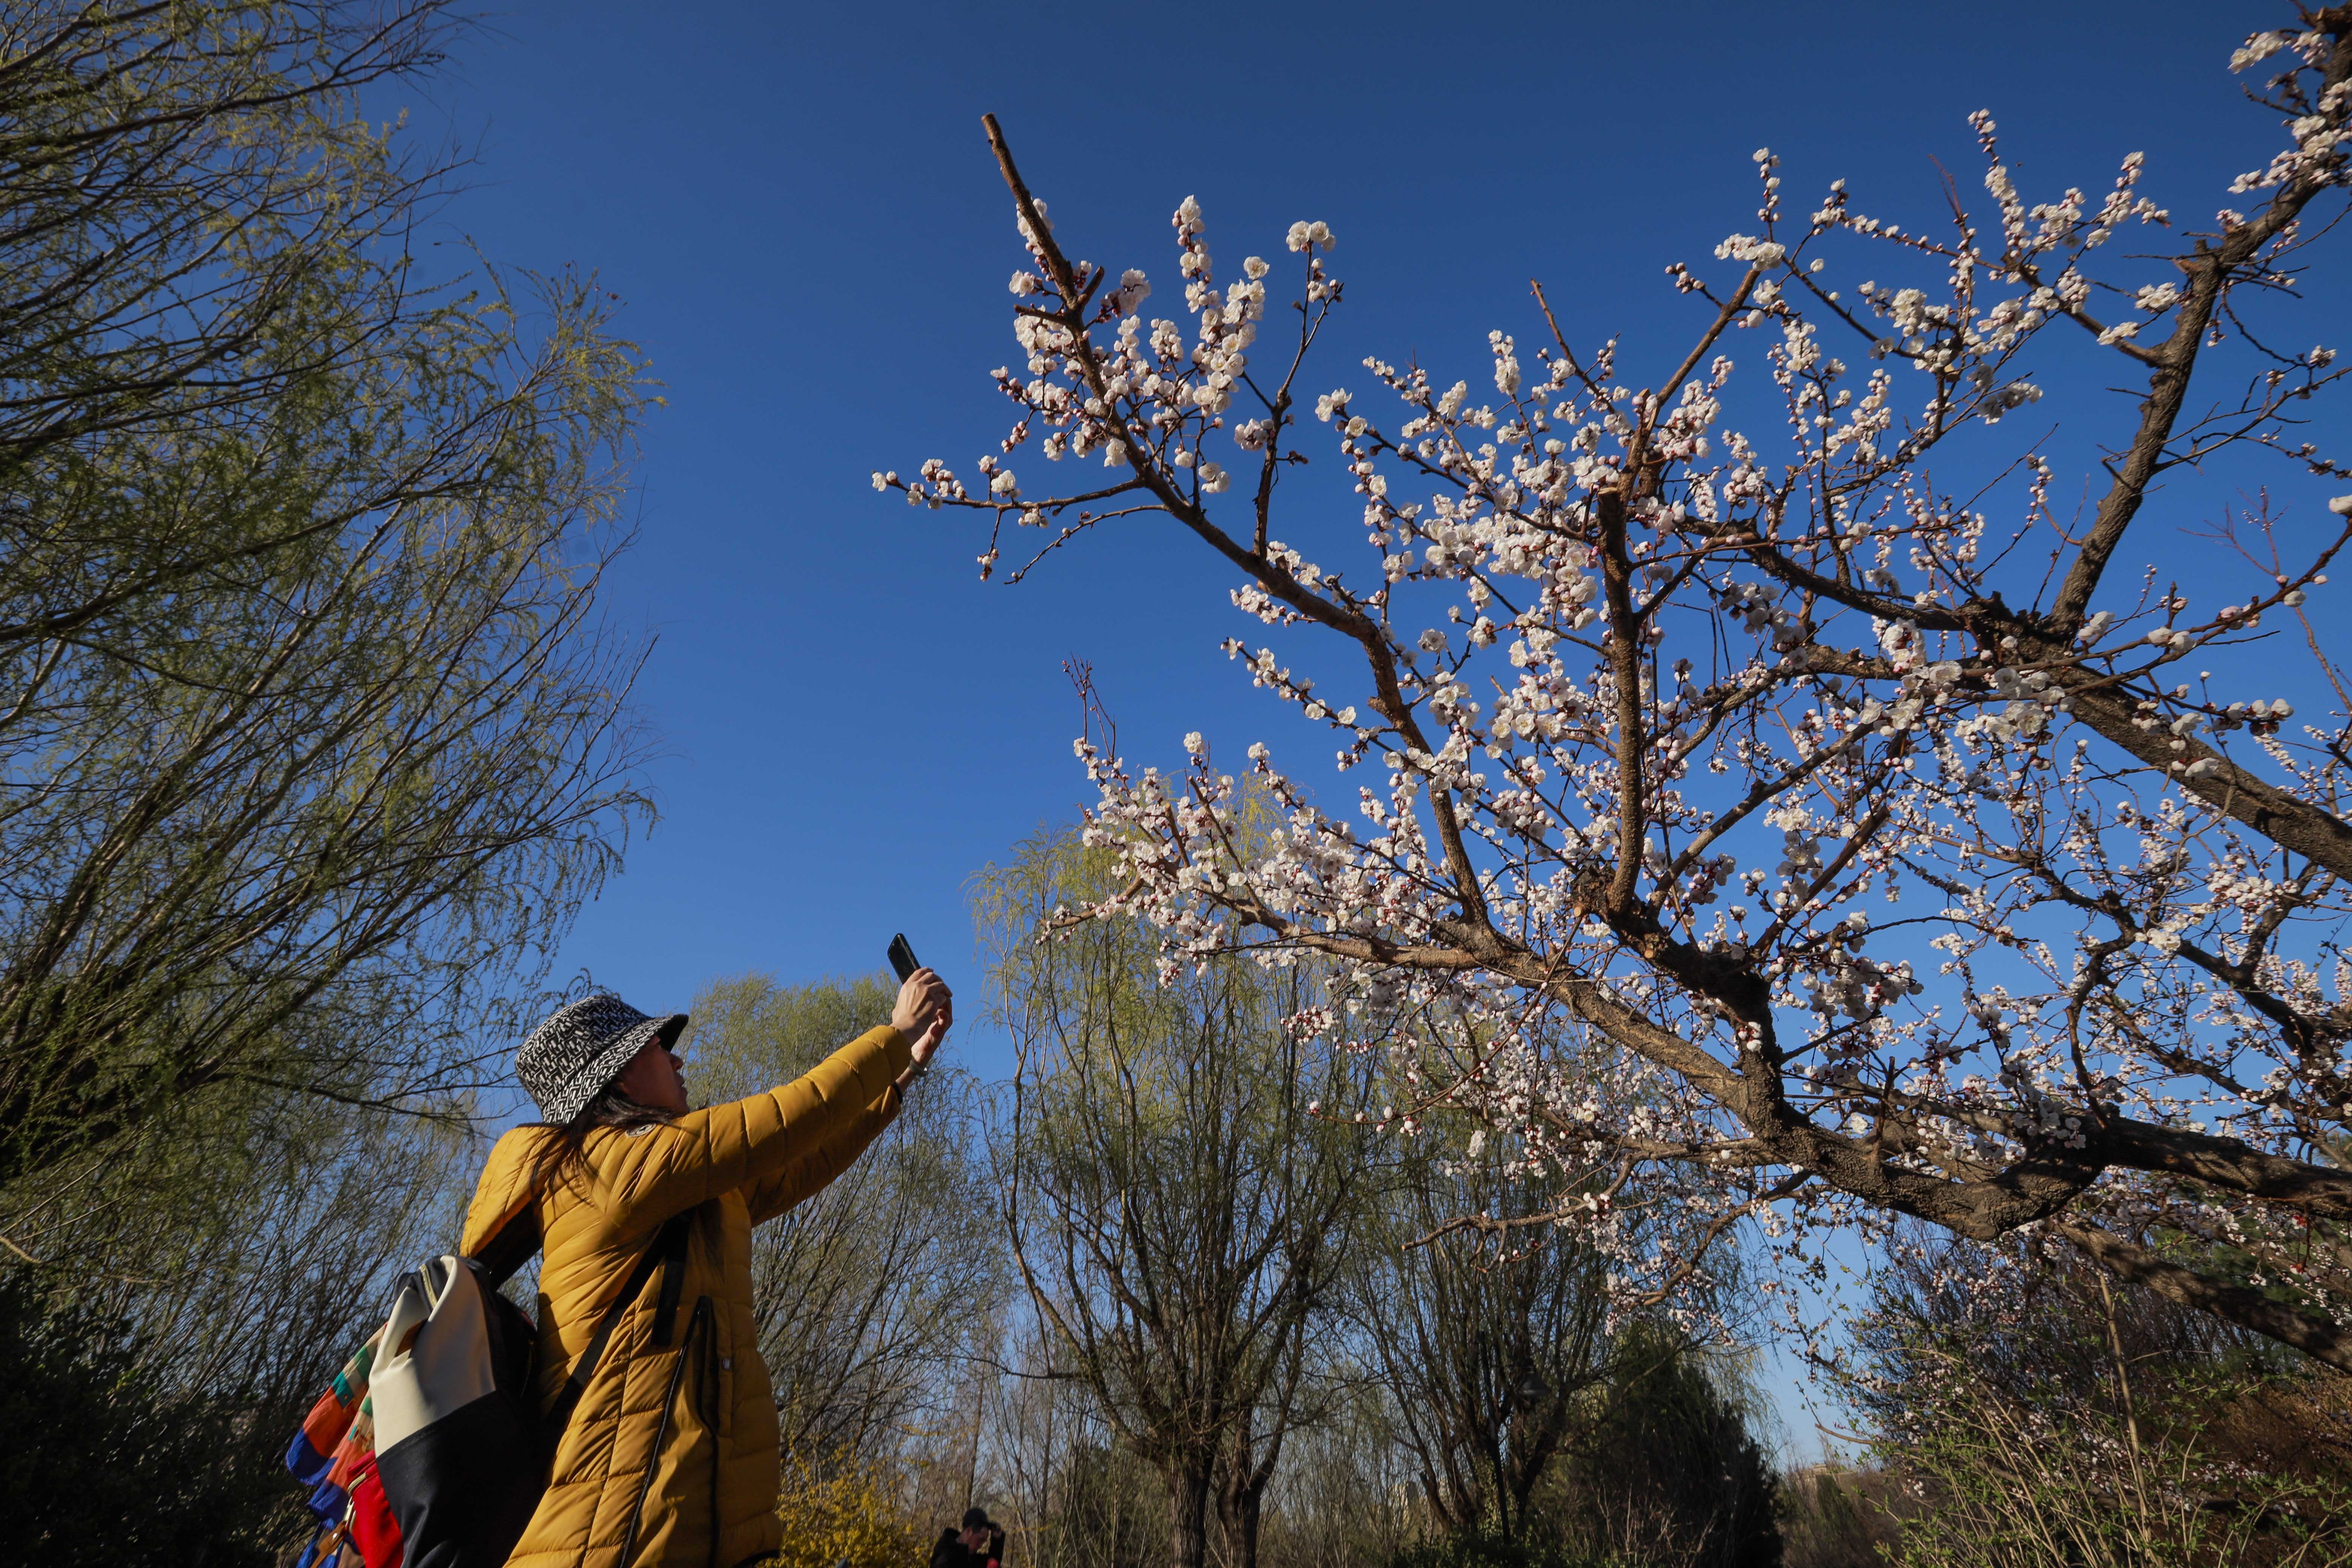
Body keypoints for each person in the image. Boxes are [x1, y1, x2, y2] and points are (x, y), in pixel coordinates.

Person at [459, 967, 952, 1568]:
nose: (678, 1060)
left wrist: (905, 1071)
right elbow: (780, 1120)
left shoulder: (679, 1187)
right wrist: (893, 1032)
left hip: (673, 1528)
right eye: (658, 1048)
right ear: (616, 1079)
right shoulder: (609, 1171)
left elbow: (800, 1158)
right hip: (612, 1539)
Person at [931, 1508, 1004, 1568]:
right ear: (969, 1531)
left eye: (984, 1541)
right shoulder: (945, 1556)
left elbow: (993, 1562)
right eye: (980, 1540)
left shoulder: (969, 1557)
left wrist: (997, 1540)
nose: (981, 1546)